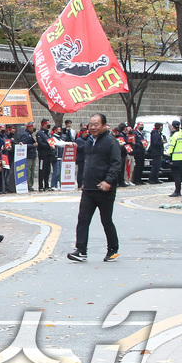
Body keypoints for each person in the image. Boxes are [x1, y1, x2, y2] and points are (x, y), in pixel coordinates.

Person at [68, 113, 123, 263]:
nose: (92, 127)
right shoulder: (88, 141)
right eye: (91, 124)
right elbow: (88, 163)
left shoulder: (111, 142)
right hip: (89, 189)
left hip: (104, 189)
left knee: (106, 220)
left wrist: (108, 181)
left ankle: (113, 250)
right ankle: (81, 251)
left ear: (104, 125)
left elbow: (116, 164)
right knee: (83, 219)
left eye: (96, 124)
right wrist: (84, 181)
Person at [166, 120, 182, 197]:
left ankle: (177, 191)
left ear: (173, 127)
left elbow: (171, 147)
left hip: (175, 158)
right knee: (181, 175)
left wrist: (167, 155)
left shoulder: (174, 136)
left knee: (176, 175)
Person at [37, 118, 55, 191]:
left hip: (49, 154)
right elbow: (40, 143)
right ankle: (41, 186)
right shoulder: (40, 133)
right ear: (43, 124)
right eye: (47, 124)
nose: (48, 125)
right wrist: (49, 146)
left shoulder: (48, 133)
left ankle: (47, 185)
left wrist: (53, 145)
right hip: (42, 154)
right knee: (42, 170)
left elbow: (51, 141)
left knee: (48, 170)